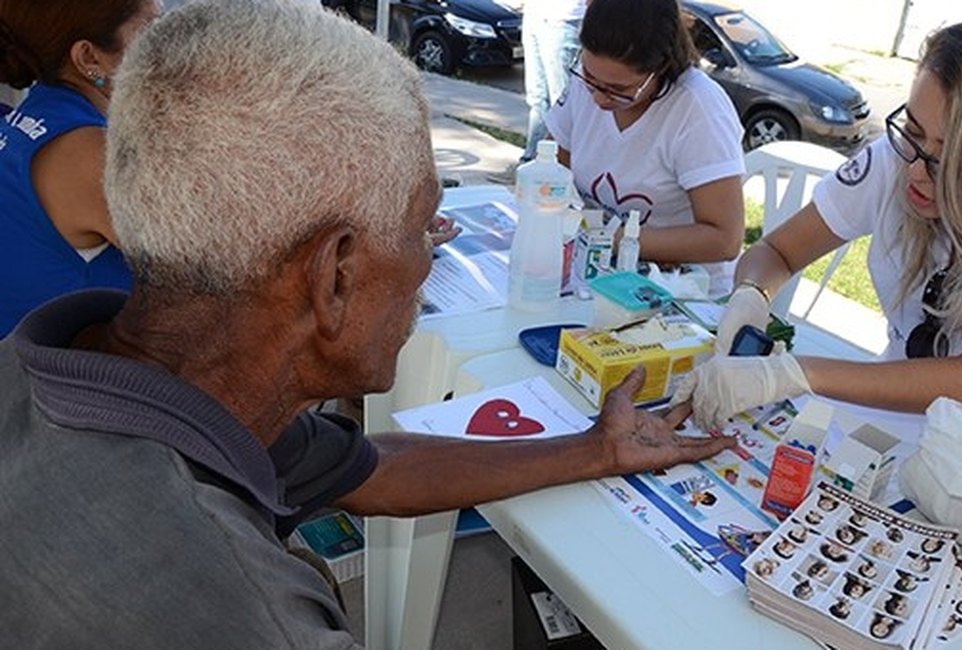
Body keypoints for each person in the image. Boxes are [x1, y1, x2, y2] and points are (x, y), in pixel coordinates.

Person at [0, 1, 738, 646]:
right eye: (420, 228)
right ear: (336, 277)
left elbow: (371, 467)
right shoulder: (253, 615)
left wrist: (595, 449)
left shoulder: (164, 371)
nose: (425, 263)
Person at [672, 4, 962, 436]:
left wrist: (790, 373)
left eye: (951, 158)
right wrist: (750, 296)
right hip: (876, 428)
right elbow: (778, 251)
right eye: (915, 131)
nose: (916, 169)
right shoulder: (896, 158)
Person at [544, 0, 746, 297]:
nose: (599, 98)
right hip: (594, 273)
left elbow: (724, 240)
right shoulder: (589, 83)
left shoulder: (698, 109)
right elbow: (552, 167)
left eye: (620, 90)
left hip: (680, 291)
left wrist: (613, 239)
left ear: (660, 68)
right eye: (589, 78)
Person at [0, 0, 162, 337]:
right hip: (42, 382)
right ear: (89, 58)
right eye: (151, 30)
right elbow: (219, 273)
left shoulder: (34, 116)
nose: (169, 43)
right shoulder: (94, 159)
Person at [490, 0, 585, 184]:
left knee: (561, 103)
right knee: (537, 98)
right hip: (535, 17)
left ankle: (559, 172)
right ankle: (529, 163)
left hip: (563, 21)